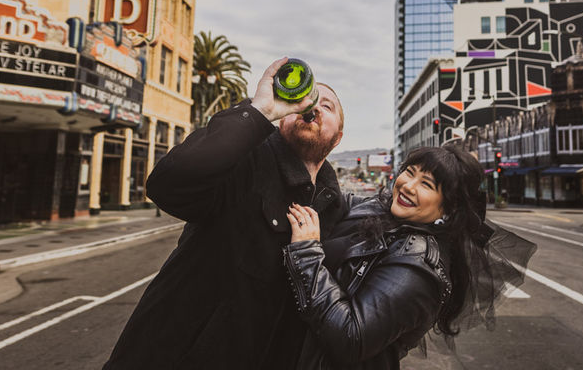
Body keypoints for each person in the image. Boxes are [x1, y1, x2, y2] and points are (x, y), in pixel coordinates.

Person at [103, 58, 346, 369]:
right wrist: (260, 111)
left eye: (327, 106)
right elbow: (167, 185)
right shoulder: (243, 160)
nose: (313, 107)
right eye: (308, 99)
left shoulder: (334, 211)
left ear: (338, 137)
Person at [282, 144, 536, 369]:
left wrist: (306, 253)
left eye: (426, 184)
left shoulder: (418, 268)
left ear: (449, 207)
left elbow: (351, 337)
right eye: (409, 172)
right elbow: (330, 198)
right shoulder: (384, 210)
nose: (408, 185)